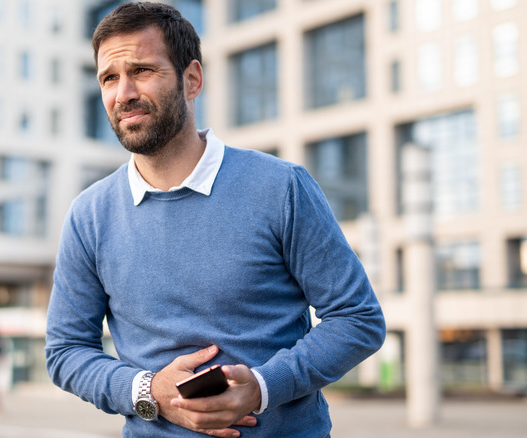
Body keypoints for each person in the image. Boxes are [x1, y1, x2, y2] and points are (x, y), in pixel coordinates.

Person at [45, 2, 386, 437]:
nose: (123, 93)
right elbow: (65, 350)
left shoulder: (281, 187)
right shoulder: (88, 215)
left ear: (192, 80)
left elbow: (358, 318)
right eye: (109, 78)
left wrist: (262, 387)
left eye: (143, 71)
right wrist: (147, 391)